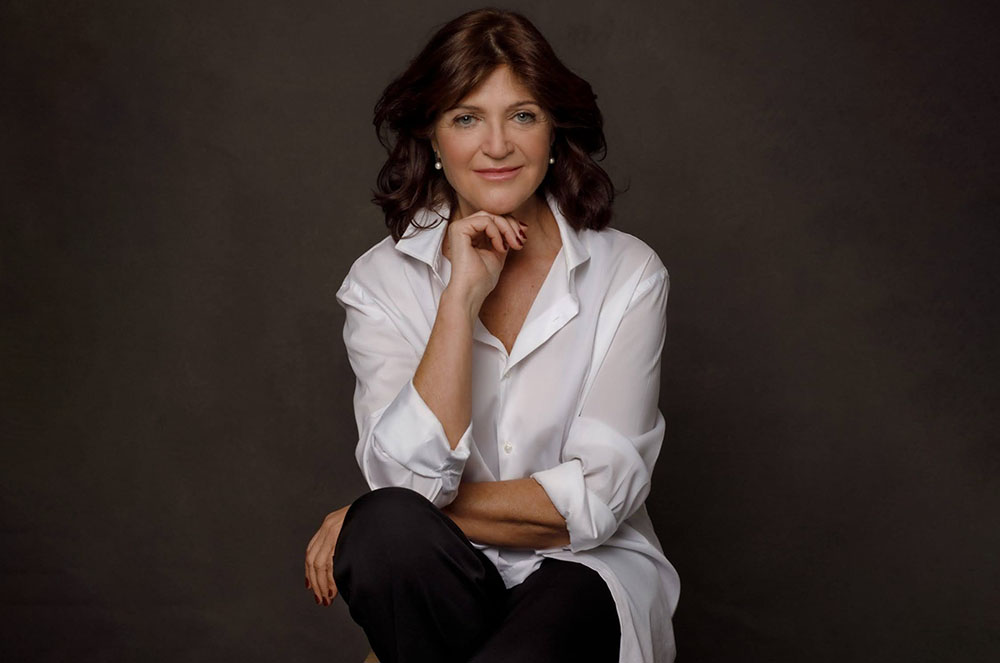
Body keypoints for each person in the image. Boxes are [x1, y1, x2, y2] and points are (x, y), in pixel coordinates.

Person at [304, 7, 679, 663]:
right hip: (444, 581)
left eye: (523, 115)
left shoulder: (628, 273)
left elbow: (597, 500)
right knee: (385, 532)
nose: (498, 145)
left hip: (584, 574)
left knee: (385, 522)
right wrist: (459, 299)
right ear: (433, 137)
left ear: (554, 130)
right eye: (467, 118)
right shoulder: (379, 282)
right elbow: (403, 493)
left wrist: (381, 510)